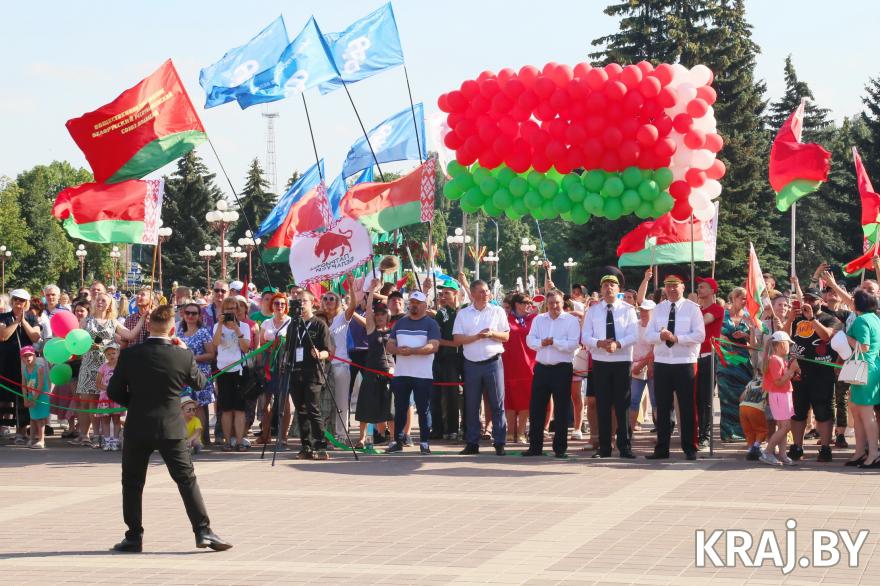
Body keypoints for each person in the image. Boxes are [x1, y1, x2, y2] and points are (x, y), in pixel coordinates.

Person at [107, 304, 231, 553]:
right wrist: (185, 351)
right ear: (172, 328)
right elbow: (200, 382)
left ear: (149, 326)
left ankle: (133, 537)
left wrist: (136, 403)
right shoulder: (182, 355)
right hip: (172, 426)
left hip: (138, 425)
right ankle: (203, 531)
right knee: (186, 480)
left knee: (132, 482)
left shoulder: (130, 355)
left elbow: (113, 391)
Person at [645, 274, 705, 460]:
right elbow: (648, 335)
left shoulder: (692, 309)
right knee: (662, 408)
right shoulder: (659, 308)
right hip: (663, 362)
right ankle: (662, 448)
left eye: (675, 285)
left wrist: (677, 339)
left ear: (682, 287)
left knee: (687, 407)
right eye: (668, 285)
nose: (671, 289)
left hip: (685, 362)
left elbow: (700, 335)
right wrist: (660, 337)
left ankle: (690, 448)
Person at [74, 292, 142, 447]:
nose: (100, 303)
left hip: (107, 365)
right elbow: (77, 342)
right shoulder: (86, 320)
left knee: (105, 400)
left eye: (103, 300)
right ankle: (95, 435)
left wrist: (143, 319)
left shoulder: (113, 322)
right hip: (89, 363)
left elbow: (130, 335)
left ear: (110, 304)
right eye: (98, 300)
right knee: (90, 401)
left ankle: (107, 437)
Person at [453, 280, 511, 456]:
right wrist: (477, 337)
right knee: (471, 404)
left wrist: (492, 334)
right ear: (472, 293)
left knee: (497, 404)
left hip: (493, 362)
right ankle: (472, 442)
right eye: (480, 291)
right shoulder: (463, 314)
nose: (484, 294)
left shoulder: (497, 311)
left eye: (486, 291)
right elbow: (457, 339)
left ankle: (500, 442)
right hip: (471, 363)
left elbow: (506, 336)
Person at [583, 274, 638, 459]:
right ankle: (604, 447)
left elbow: (634, 335)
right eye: (605, 285)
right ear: (601, 289)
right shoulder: (593, 310)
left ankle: (625, 447)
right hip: (601, 362)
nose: (609, 288)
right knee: (603, 405)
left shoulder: (628, 310)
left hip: (622, 362)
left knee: (622, 405)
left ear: (619, 289)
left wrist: (619, 343)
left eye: (612, 285)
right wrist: (599, 343)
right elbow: (585, 337)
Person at [522, 290, 580, 458]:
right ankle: (535, 446)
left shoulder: (571, 320)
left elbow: (573, 344)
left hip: (562, 368)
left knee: (561, 409)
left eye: (557, 302)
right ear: (547, 303)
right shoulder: (539, 319)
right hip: (542, 368)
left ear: (563, 303)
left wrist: (555, 342)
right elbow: (530, 340)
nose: (554, 306)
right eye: (551, 303)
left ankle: (560, 448)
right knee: (536, 408)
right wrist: (542, 342)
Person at [788, 284, 839, 463]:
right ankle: (797, 446)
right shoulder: (797, 319)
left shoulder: (829, 318)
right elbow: (786, 337)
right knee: (798, 412)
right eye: (806, 299)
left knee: (823, 411)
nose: (808, 302)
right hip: (800, 373)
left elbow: (826, 336)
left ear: (820, 300)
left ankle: (825, 448)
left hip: (822, 373)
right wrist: (789, 319)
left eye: (812, 299)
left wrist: (811, 319)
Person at [385, 291, 441, 454]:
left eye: (417, 302)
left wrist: (412, 351)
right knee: (400, 408)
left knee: (423, 409)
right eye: (412, 302)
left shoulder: (431, 324)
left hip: (422, 375)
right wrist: (397, 350)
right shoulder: (400, 323)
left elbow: (434, 346)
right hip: (401, 373)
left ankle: (424, 443)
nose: (414, 305)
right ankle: (398, 441)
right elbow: (389, 345)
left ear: (425, 305)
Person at [287, 290, 332, 460]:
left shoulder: (319, 324)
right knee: (301, 411)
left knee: (313, 409)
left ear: (312, 303)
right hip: (295, 373)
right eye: (298, 301)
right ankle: (305, 446)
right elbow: (290, 349)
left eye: (304, 301)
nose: (301, 304)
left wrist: (320, 354)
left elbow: (328, 352)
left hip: (313, 373)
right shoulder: (293, 325)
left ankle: (320, 445)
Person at [844, 290, 880, 468]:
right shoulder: (874, 318)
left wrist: (846, 337)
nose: (851, 302)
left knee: (865, 413)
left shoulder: (862, 320)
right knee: (858, 412)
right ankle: (860, 452)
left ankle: (873, 453)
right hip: (867, 368)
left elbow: (864, 347)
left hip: (864, 368)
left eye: (853, 300)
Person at [0, 289, 41, 443]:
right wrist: (16, 322)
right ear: (11, 301)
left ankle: (21, 431)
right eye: (16, 300)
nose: (19, 303)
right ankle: (3, 428)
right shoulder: (4, 317)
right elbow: (3, 336)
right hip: (6, 362)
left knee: (24, 397)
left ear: (26, 303)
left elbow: (35, 337)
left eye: (22, 300)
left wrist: (23, 322)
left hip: (25, 364)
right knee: (3, 397)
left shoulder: (31, 317)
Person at [211, 297, 250, 452]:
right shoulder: (217, 326)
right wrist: (221, 324)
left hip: (239, 370)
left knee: (239, 408)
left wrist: (237, 329)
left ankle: (240, 441)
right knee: (226, 409)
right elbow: (215, 344)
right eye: (228, 309)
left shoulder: (244, 326)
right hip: (223, 370)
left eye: (234, 308)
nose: (231, 312)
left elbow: (246, 348)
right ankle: (228, 441)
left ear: (238, 310)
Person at [354, 293, 393, 447]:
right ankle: (362, 439)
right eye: (377, 314)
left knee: (390, 409)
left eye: (383, 313)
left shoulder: (393, 330)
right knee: (365, 405)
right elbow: (368, 309)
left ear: (388, 315)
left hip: (389, 372)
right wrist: (371, 292)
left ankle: (393, 439)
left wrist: (393, 369)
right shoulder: (371, 329)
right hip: (371, 371)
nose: (379, 316)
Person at [717, 287, 752, 442]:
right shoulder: (722, 315)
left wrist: (746, 334)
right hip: (725, 363)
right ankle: (727, 433)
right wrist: (722, 338)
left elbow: (756, 339)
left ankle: (743, 431)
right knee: (726, 398)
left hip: (744, 363)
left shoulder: (748, 316)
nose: (744, 301)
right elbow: (714, 334)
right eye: (742, 298)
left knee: (743, 398)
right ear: (734, 298)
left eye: (746, 299)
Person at [177, 302, 215, 446]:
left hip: (200, 374)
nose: (191, 316)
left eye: (194, 313)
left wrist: (193, 358)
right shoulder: (178, 333)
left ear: (199, 316)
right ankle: (185, 437)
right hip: (182, 375)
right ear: (183, 314)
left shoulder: (203, 332)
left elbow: (211, 354)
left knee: (198, 406)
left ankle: (200, 438)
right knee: (184, 405)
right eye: (188, 313)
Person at [429, 280, 463, 441]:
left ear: (456, 293)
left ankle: (455, 428)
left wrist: (463, 282)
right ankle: (438, 428)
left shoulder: (463, 311)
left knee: (454, 395)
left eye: (447, 293)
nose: (443, 296)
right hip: (443, 357)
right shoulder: (442, 313)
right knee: (437, 394)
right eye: (442, 293)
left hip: (460, 358)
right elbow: (437, 336)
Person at [502, 293, 537, 445]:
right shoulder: (505, 319)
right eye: (525, 302)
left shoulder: (534, 319)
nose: (529, 305)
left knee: (525, 401)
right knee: (509, 400)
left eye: (530, 302)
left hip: (529, 365)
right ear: (517, 304)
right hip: (509, 364)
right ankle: (510, 432)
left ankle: (521, 432)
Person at [761, 331, 800, 466]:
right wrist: (791, 371)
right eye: (788, 344)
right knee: (785, 427)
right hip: (779, 395)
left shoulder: (779, 360)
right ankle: (768, 452)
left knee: (783, 427)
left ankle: (782, 454)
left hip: (784, 394)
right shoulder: (774, 360)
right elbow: (778, 382)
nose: (789, 346)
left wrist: (792, 372)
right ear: (780, 345)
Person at [694, 277, 725, 448]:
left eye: (703, 287)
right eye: (699, 287)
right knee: (694, 397)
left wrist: (691, 307)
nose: (699, 289)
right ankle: (693, 431)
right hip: (692, 356)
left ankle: (704, 434)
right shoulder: (695, 309)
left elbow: (701, 322)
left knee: (705, 398)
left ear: (713, 291)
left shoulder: (717, 309)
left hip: (708, 356)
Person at [257, 293, 291, 447]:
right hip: (268, 365)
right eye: (276, 303)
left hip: (284, 364)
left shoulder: (291, 322)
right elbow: (261, 343)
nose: (279, 306)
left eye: (283, 304)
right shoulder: (266, 323)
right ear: (272, 305)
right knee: (265, 403)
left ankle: (283, 436)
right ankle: (265, 434)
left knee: (284, 402)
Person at [323, 288, 356, 443]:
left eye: (331, 299)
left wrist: (351, 286)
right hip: (323, 366)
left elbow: (353, 307)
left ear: (337, 303)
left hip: (340, 365)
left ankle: (342, 435)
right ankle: (324, 433)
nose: (328, 301)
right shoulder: (318, 319)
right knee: (324, 402)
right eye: (325, 298)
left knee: (341, 401)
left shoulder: (342, 318)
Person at [630, 300, 656, 431]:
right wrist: (635, 366)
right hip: (635, 368)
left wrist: (643, 365)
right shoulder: (634, 325)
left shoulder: (656, 327)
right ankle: (630, 430)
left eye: (647, 310)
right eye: (642, 310)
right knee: (633, 400)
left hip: (652, 367)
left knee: (655, 401)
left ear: (653, 311)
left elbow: (655, 349)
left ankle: (660, 433)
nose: (643, 312)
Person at [95, 343, 123, 451]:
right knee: (105, 420)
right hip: (105, 397)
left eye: (113, 353)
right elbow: (98, 383)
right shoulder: (103, 367)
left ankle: (115, 442)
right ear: (105, 356)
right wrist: (108, 389)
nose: (111, 356)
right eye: (108, 354)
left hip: (117, 397)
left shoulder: (121, 367)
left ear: (118, 354)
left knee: (116, 420)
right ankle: (107, 442)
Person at [20, 345, 49, 449]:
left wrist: (35, 399)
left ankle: (41, 440)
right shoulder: (24, 370)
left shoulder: (39, 368)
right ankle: (32, 439)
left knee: (40, 418)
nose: (28, 358)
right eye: (25, 356)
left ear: (34, 356)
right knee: (32, 418)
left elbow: (40, 385)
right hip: (31, 395)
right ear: (22, 359)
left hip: (40, 396)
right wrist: (25, 399)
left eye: (30, 355)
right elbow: (23, 386)